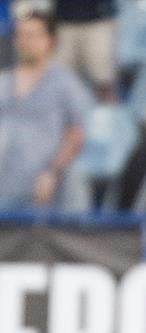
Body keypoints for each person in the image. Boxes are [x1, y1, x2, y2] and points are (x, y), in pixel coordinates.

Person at [0, 10, 90, 211]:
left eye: (32, 35)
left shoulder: (66, 85)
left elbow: (77, 135)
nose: (25, 41)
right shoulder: (3, 82)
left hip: (43, 193)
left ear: (50, 40)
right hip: (4, 188)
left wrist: (53, 173)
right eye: (20, 35)